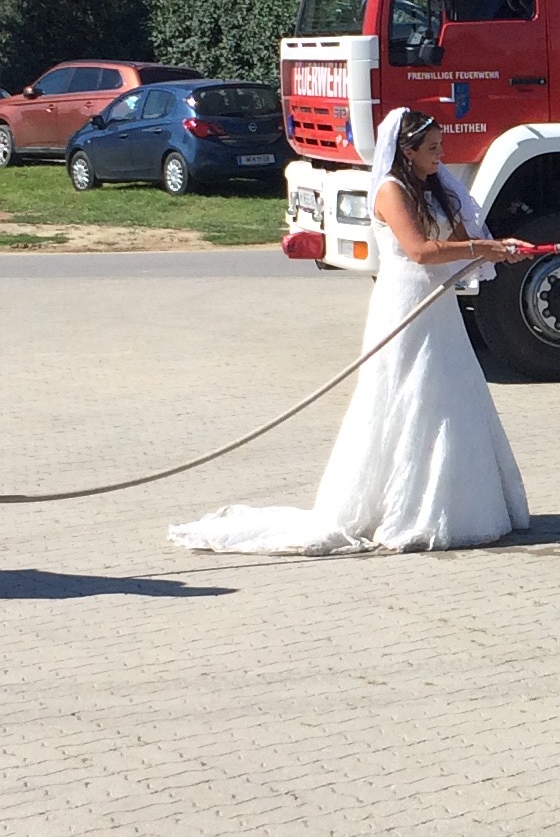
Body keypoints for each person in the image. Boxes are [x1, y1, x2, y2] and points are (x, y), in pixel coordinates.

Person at [171, 107, 533, 554]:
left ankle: (463, 505)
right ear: (407, 151)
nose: (441, 155)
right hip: (406, 303)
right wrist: (483, 246)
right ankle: (402, 508)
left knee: (453, 392)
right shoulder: (391, 190)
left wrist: (502, 250)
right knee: (409, 392)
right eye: (433, 148)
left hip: (439, 306)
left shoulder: (436, 187)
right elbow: (420, 251)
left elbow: (460, 244)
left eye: (441, 146)